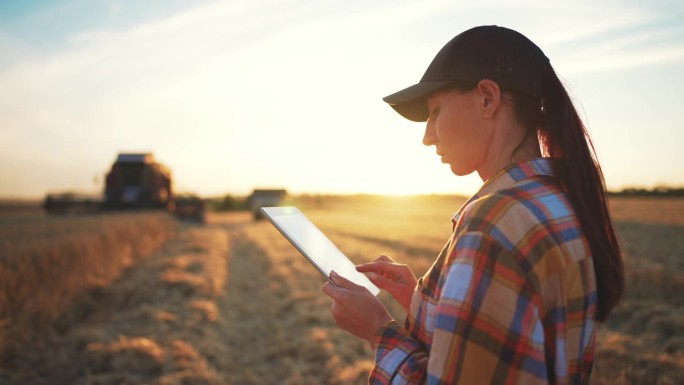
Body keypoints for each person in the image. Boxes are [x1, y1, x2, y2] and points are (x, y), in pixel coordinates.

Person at [322, 25, 624, 385]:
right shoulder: (556, 201)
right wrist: (421, 297)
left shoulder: (495, 222)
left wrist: (378, 330)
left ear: (487, 98)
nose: (427, 136)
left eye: (435, 112)